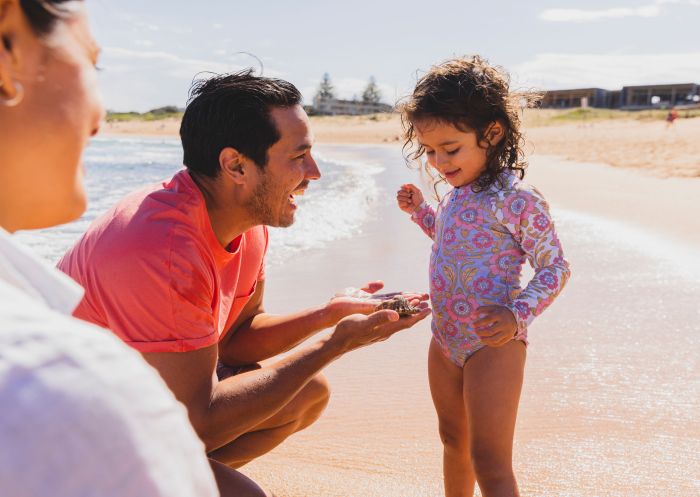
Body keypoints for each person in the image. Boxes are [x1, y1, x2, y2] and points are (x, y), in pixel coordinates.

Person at [58, 70, 430, 469]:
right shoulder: (164, 251)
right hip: (62, 430)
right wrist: (334, 344)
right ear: (235, 166)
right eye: (298, 156)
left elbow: (236, 338)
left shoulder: (241, 219)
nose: (315, 172)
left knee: (305, 394)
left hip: (134, 397)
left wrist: (328, 315)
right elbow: (195, 426)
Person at [0, 0, 263, 495]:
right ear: (7, 47)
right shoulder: (54, 379)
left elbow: (239, 337)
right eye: (90, 63)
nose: (99, 117)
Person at [396, 56, 571, 497]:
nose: (438, 162)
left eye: (450, 149)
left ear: (491, 133)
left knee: (490, 461)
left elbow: (555, 267)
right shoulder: (457, 194)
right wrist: (421, 212)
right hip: (445, 337)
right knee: (454, 441)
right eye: (430, 151)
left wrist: (518, 316)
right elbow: (451, 239)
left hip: (494, 344)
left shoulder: (517, 199)